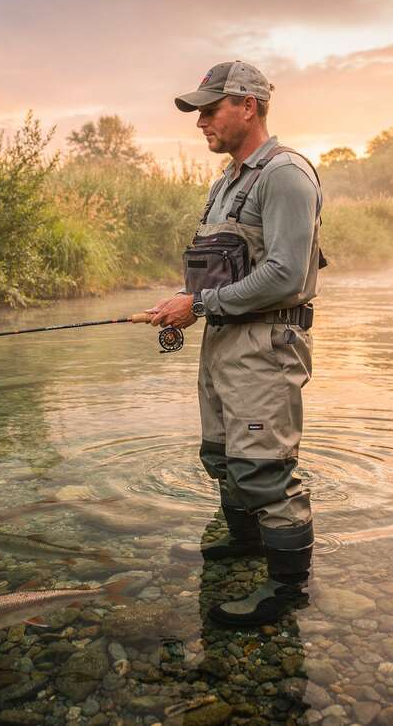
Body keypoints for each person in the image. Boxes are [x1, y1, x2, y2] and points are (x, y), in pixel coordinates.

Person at [147, 60, 323, 627]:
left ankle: (287, 592)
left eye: (210, 109)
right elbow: (224, 272)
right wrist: (184, 301)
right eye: (198, 111)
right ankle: (246, 545)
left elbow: (285, 275)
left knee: (263, 468)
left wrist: (198, 305)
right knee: (223, 456)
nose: (201, 121)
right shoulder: (225, 182)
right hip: (224, 341)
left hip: (266, 348)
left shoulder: (286, 175)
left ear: (248, 106)